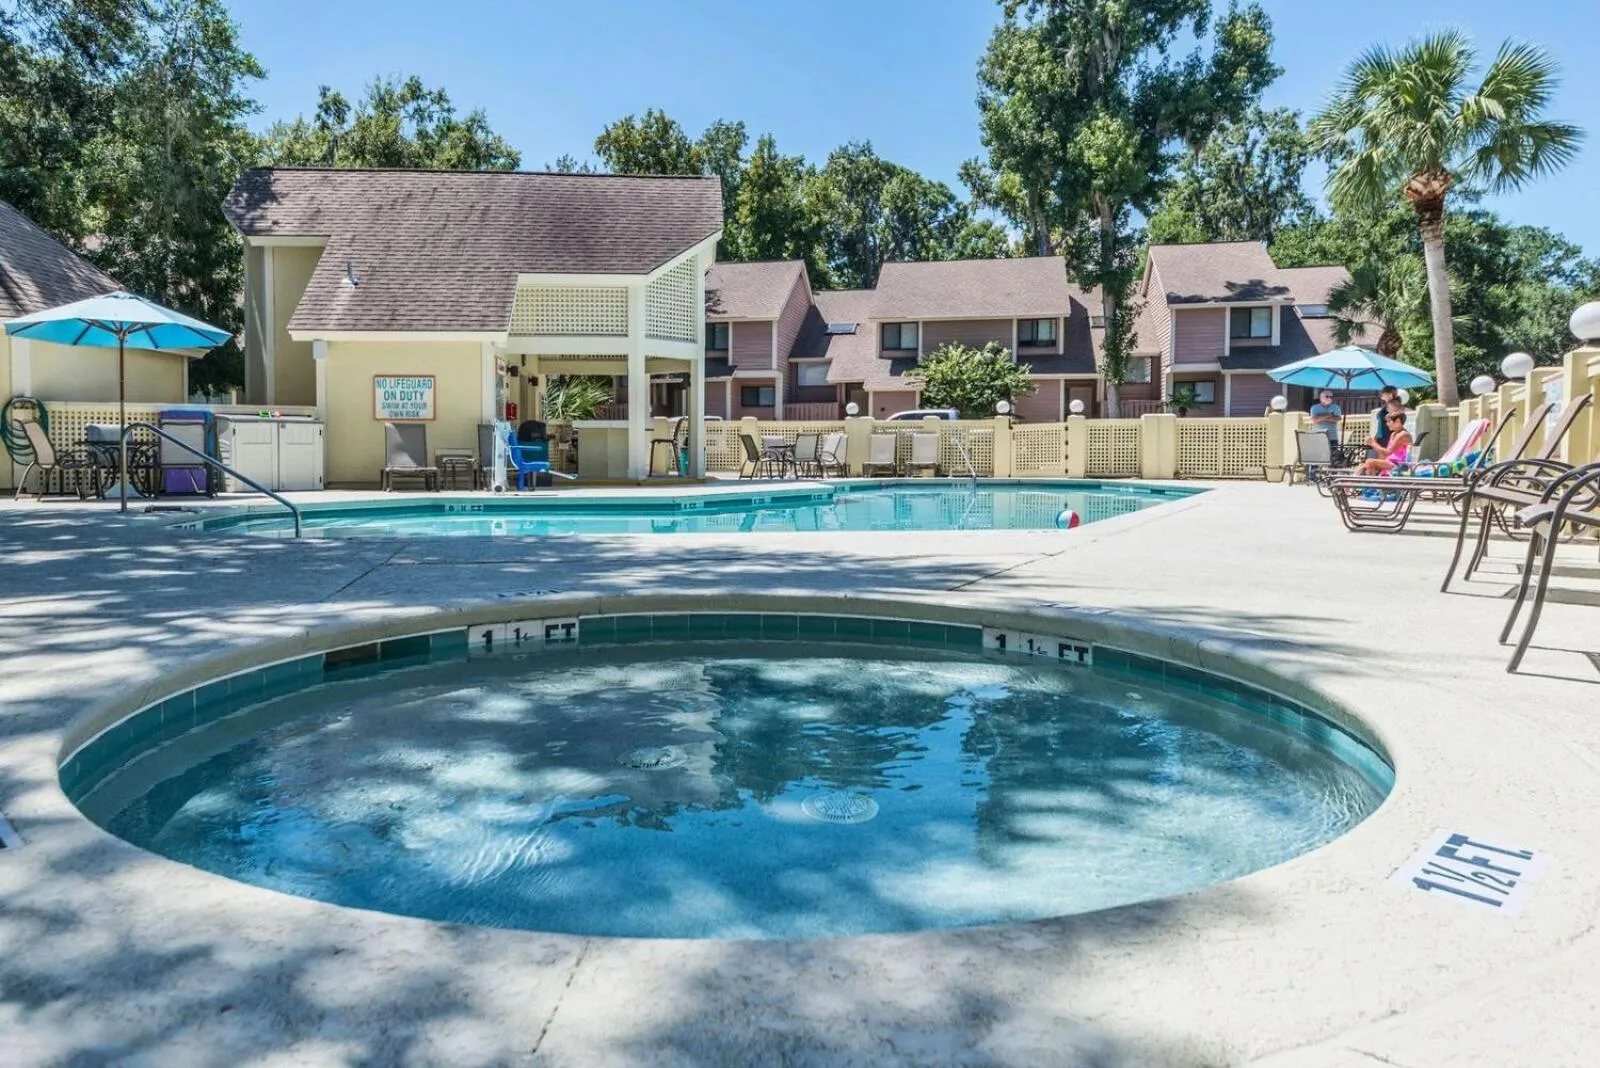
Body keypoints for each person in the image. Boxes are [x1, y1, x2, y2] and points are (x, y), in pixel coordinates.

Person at [1355, 412, 1413, 476]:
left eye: (1389, 421)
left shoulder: (1403, 435)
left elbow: (1387, 452)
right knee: (1364, 465)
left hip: (1399, 464)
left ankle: (1372, 482)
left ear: (1397, 421)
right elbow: (1385, 455)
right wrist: (1366, 465)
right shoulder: (1393, 434)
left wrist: (1372, 443)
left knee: (1370, 462)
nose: (1387, 424)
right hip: (1390, 462)